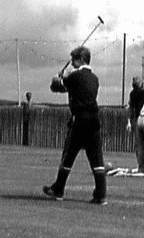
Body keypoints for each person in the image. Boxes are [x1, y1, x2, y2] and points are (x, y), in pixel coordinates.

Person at [43, 45, 107, 204]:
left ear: (81, 60)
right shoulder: (95, 78)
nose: (72, 63)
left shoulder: (75, 76)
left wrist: (57, 77)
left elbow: (56, 87)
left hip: (80, 119)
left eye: (74, 60)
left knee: (68, 156)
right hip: (94, 120)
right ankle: (100, 195)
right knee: (96, 159)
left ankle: (58, 190)